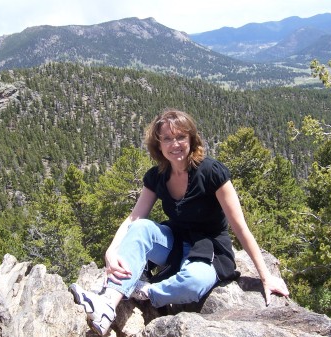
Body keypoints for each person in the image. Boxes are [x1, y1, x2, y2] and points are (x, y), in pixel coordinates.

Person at [69, 108, 289, 336]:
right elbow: (135, 217)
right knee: (141, 228)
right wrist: (111, 251)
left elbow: (240, 227)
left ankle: (146, 291)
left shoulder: (211, 172)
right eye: (167, 138)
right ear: (159, 144)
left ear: (191, 139)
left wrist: (266, 276)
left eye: (181, 137)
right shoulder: (157, 176)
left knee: (194, 283)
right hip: (174, 242)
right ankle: (108, 305)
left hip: (209, 246)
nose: (175, 144)